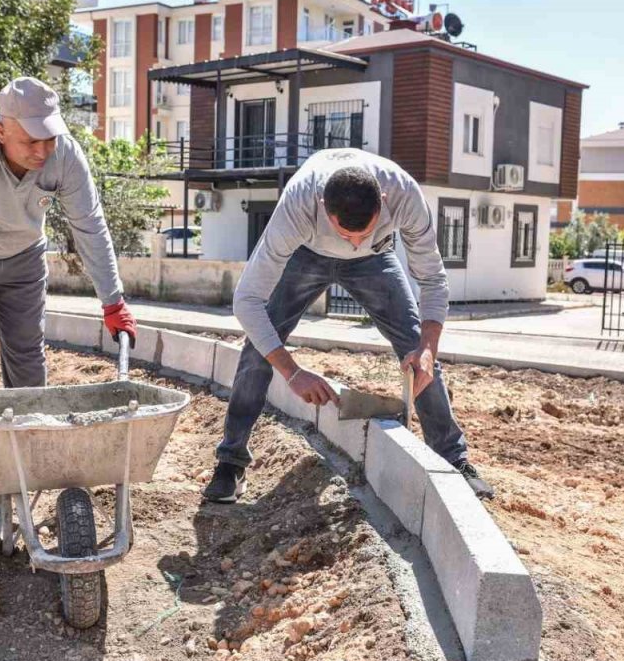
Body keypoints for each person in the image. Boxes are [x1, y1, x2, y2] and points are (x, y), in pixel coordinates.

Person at [207, 148, 491, 503]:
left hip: (376, 259)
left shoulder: (404, 193)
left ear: (383, 202)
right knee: (259, 347)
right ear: (323, 204)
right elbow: (246, 301)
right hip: (305, 255)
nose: (354, 241)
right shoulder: (299, 202)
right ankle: (230, 462)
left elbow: (433, 280)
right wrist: (293, 373)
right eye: (345, 232)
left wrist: (428, 348)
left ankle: (453, 458)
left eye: (364, 230)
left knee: (417, 346)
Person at [0, 77, 136, 395]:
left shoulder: (65, 155)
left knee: (28, 356)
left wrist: (113, 301)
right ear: (1, 132)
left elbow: (89, 224)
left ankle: (28, 436)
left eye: (49, 138)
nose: (43, 151)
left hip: (24, 252)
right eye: (31, 141)